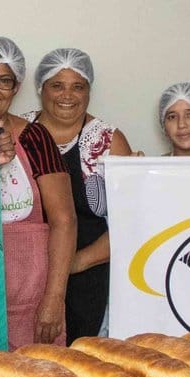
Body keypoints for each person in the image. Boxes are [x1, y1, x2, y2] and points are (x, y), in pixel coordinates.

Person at [0, 37, 75, 346]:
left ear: (16, 87)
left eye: (4, 81)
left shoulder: (36, 138)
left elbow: (64, 221)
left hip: (34, 303)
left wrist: (54, 300)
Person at [29, 48, 133, 343]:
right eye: (57, 85)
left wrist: (73, 263)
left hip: (88, 277)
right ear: (41, 88)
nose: (67, 95)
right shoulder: (20, 133)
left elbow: (128, 223)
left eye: (78, 86)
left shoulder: (108, 140)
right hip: (27, 279)